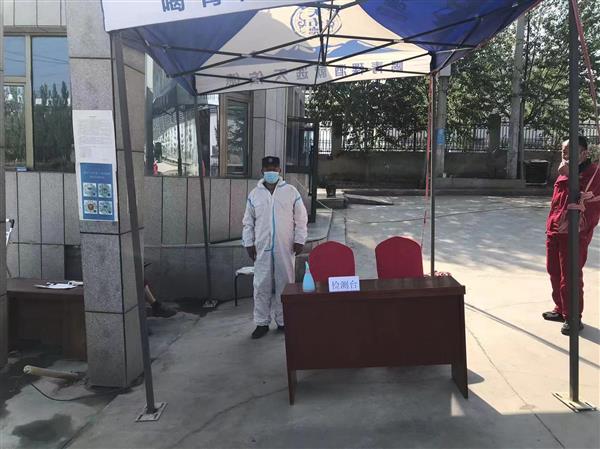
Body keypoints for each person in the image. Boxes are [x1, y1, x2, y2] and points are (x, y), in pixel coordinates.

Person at [242, 156, 308, 339]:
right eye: (267, 168)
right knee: (261, 284)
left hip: (285, 246)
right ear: (262, 171)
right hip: (262, 246)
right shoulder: (254, 194)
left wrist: (300, 239)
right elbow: (248, 222)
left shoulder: (291, 192)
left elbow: (301, 218)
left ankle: (284, 320)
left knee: (285, 284)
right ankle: (261, 322)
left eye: (274, 168)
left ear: (279, 170)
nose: (271, 171)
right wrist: (248, 243)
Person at [543, 136, 600, 335]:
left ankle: (573, 317)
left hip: (575, 232)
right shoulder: (565, 170)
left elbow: (586, 200)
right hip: (555, 228)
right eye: (564, 150)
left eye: (570, 150)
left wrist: (569, 175)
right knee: (553, 271)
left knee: (571, 275)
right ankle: (561, 309)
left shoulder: (593, 173)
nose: (565, 153)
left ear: (584, 153)